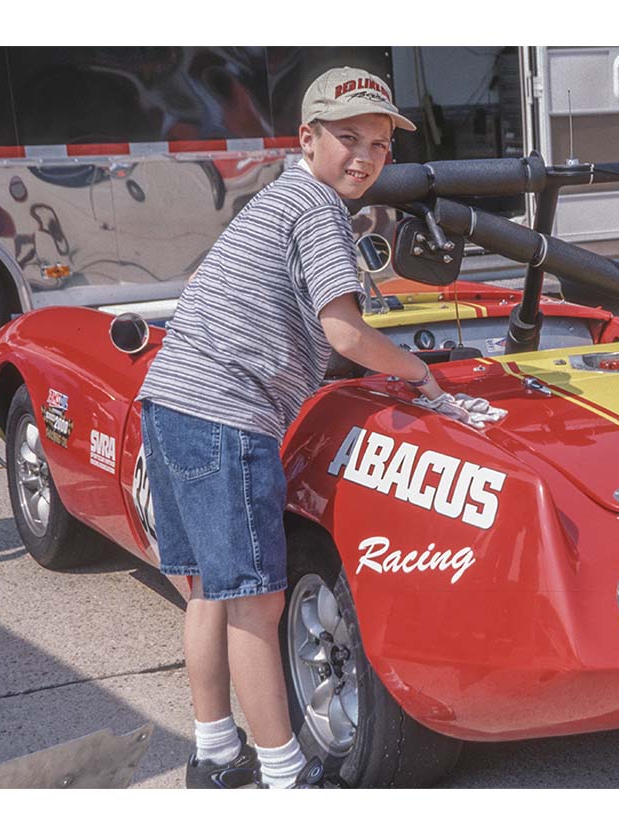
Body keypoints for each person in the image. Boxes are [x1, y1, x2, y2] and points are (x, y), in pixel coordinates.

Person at [136, 66, 505, 788]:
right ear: (307, 138)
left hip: (170, 401)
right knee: (257, 599)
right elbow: (345, 331)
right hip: (226, 414)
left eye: (378, 144)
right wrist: (421, 375)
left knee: (209, 589)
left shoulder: (276, 198)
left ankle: (215, 754)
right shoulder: (316, 209)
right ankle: (285, 773)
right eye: (348, 139)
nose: (366, 157)